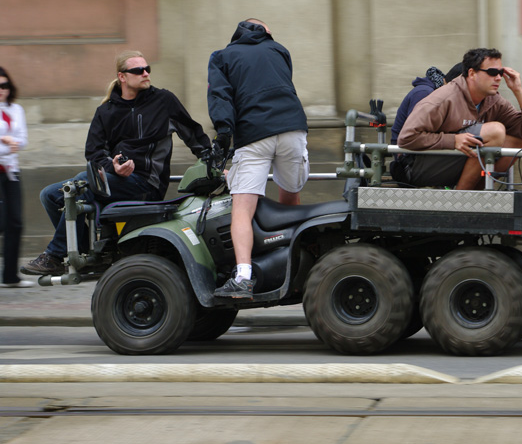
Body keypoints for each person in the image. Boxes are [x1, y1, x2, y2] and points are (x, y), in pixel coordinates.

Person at [22, 52, 211, 277]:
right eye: (138, 70)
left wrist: (213, 163)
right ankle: (81, 251)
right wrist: (113, 167)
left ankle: (54, 256)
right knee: (49, 195)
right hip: (114, 181)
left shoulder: (163, 101)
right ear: (122, 77)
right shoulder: (106, 111)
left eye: (147, 68)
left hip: (146, 183)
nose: (145, 73)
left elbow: (194, 135)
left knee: (82, 186)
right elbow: (93, 153)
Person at [207, 18, 309, 299]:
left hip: (254, 133)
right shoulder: (279, 50)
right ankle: (293, 268)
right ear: (265, 33)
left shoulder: (222, 57)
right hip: (292, 127)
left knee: (242, 207)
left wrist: (223, 135)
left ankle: (243, 278)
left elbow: (220, 97)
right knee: (290, 197)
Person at [398, 48, 522, 189]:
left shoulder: (493, 100)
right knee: (495, 132)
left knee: (516, 141)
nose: (499, 77)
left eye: (501, 72)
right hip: (417, 167)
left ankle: (475, 194)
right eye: (492, 72)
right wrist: (453, 140)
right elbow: (407, 138)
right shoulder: (443, 99)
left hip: (451, 163)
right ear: (472, 73)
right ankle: (462, 199)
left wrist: (518, 91)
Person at [390, 62, 463, 182]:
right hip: (408, 160)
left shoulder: (438, 92)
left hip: (420, 154)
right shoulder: (425, 93)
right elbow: (416, 133)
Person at [0, 66, 34, 288]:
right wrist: (6, 142)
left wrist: (8, 142)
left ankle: (10, 277)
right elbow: (11, 144)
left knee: (16, 222)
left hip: (11, 172)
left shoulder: (16, 109)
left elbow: (22, 139)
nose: (1, 90)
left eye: (4, 85)